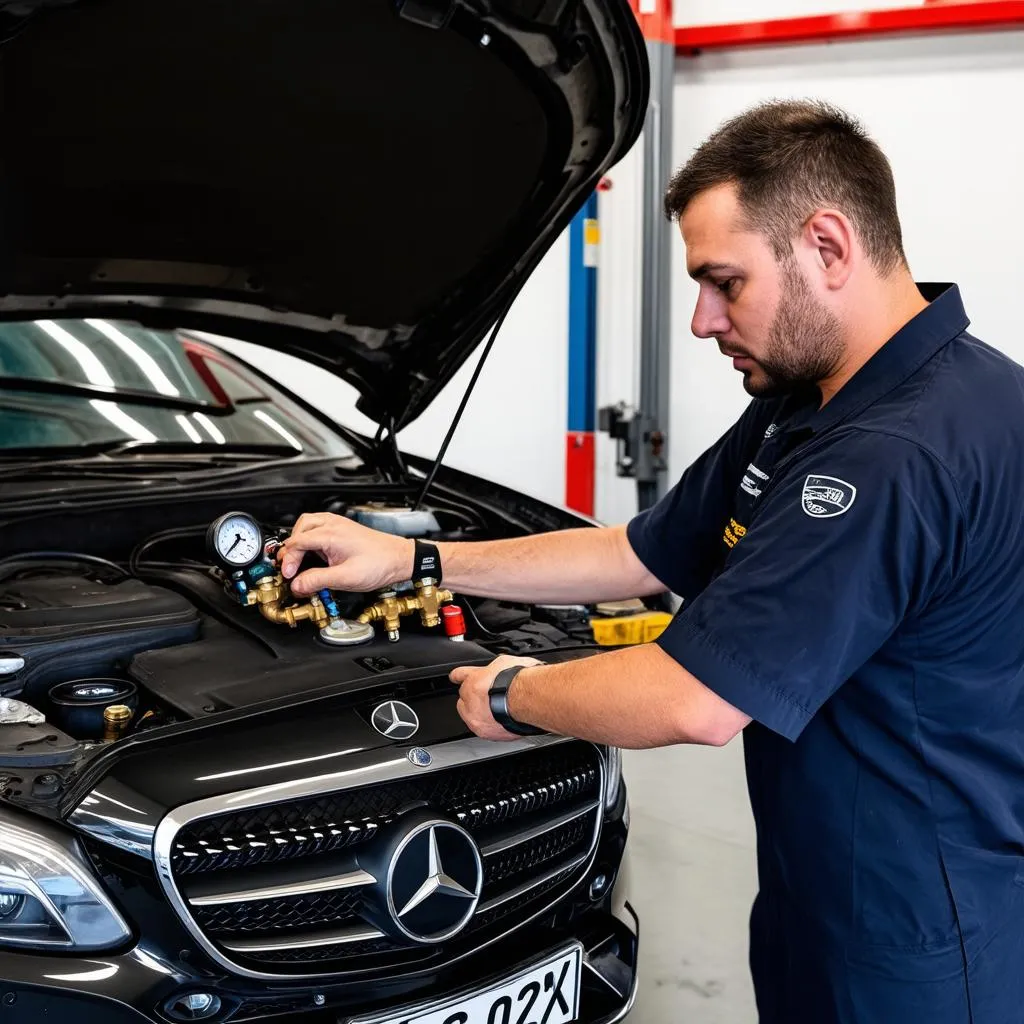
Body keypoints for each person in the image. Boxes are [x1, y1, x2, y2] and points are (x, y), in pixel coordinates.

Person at [277, 99, 1024, 1023]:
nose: (705, 319)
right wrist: (413, 560)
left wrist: (511, 694)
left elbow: (695, 702)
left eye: (724, 282)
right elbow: (638, 550)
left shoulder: (895, 452)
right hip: (826, 883)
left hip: (913, 931)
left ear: (828, 246)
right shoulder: (818, 395)